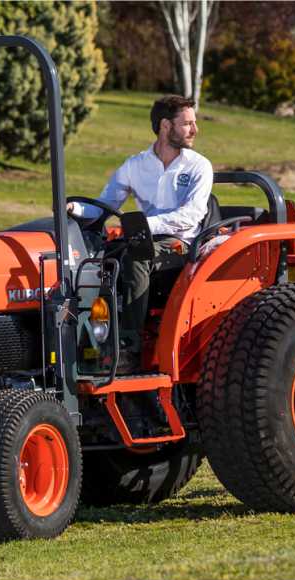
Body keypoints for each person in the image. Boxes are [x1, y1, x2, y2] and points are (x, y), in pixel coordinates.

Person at [76, 95, 213, 372]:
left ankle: (129, 348)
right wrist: (74, 209)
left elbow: (192, 215)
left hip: (182, 243)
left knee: (137, 258)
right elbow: (105, 205)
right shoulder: (135, 165)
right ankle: (92, 340)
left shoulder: (199, 166)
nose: (195, 130)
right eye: (187, 124)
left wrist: (147, 225)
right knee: (97, 259)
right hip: (142, 236)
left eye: (193, 123)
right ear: (165, 126)